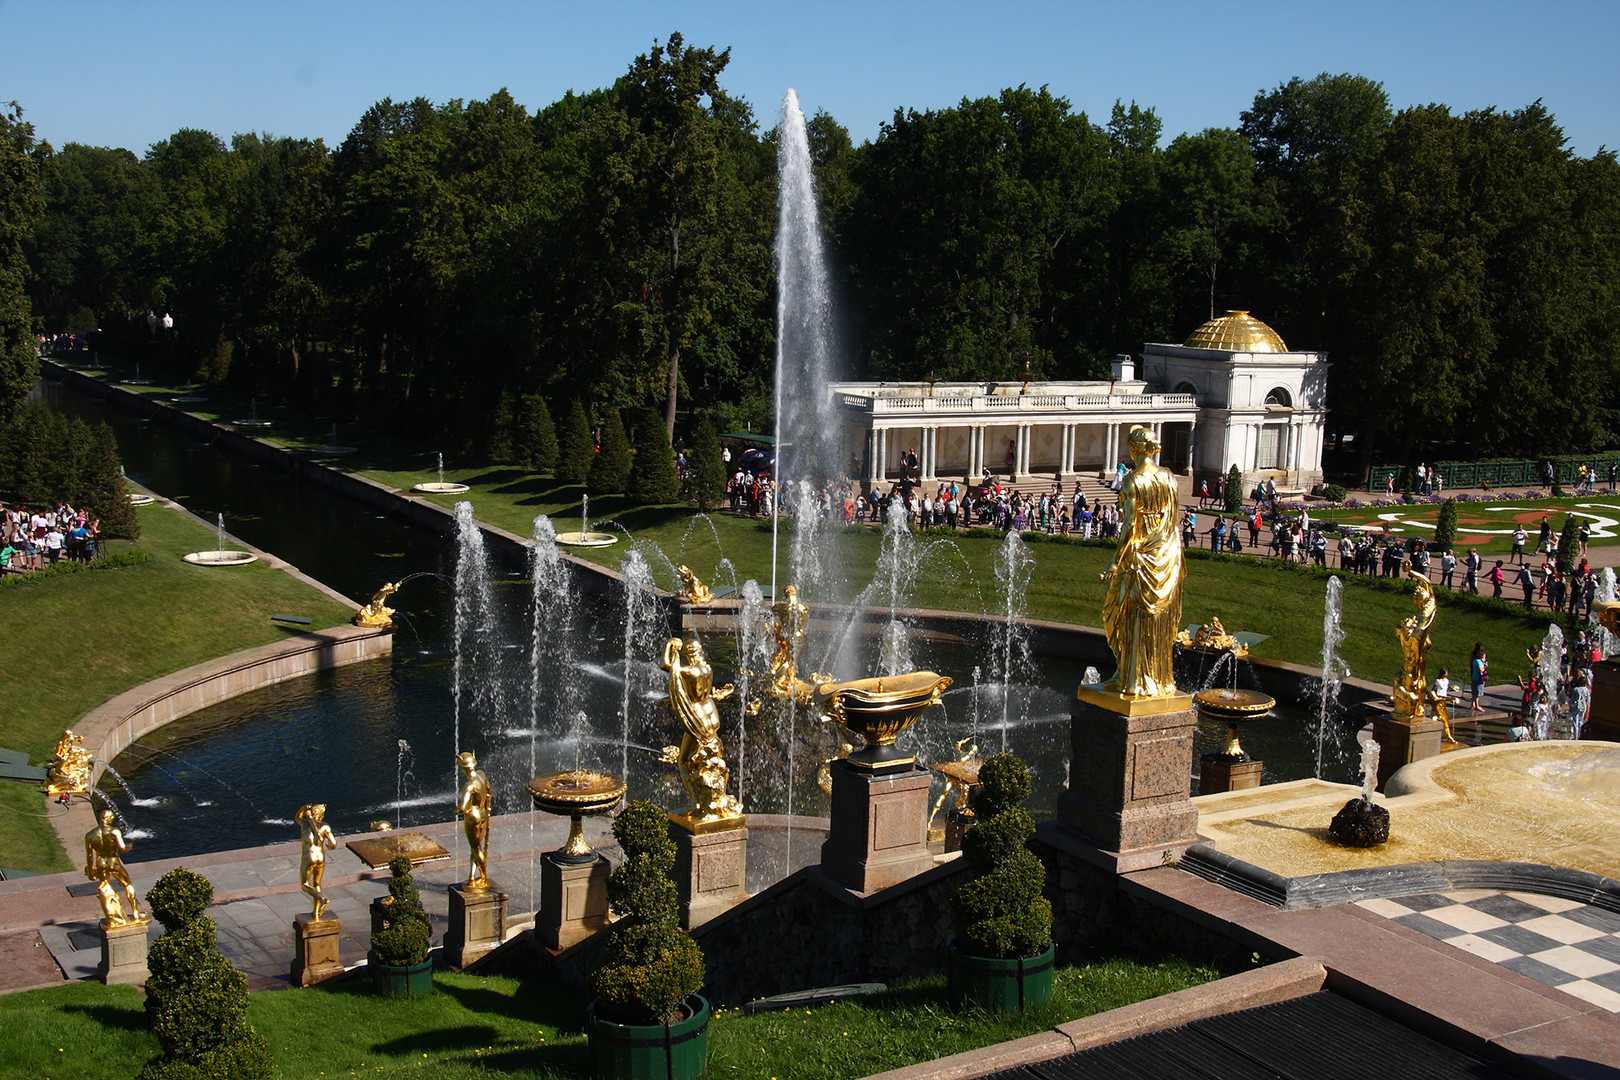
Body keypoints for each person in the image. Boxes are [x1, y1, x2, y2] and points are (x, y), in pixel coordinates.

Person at [1100, 426, 1184, 698]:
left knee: (1122, 612)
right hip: (1166, 553)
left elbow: (1129, 525)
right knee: (1154, 619)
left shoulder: (1133, 481)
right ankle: (1151, 678)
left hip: (1139, 555)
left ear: (1134, 449)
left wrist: (1115, 561)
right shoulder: (1169, 477)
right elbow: (1173, 520)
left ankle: (1133, 678)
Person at [85, 809, 143, 926]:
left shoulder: (90, 835)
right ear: (109, 819)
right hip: (113, 861)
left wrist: (91, 870)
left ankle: (111, 915)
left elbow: (89, 856)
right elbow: (122, 848)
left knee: (105, 888)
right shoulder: (114, 831)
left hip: (100, 862)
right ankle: (135, 912)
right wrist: (129, 846)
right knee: (127, 884)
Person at [456, 751, 492, 889]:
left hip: (473, 816)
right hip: (482, 813)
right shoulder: (481, 775)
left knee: (476, 848)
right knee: (476, 847)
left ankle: (483, 876)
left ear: (463, 768)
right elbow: (489, 792)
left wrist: (458, 809)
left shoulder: (469, 785)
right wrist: (487, 807)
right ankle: (472, 876)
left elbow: (463, 806)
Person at [297, 803, 338, 921]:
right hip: (320, 857)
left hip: (309, 857)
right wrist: (330, 846)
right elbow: (333, 843)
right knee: (317, 884)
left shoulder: (305, 824)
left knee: (305, 885)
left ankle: (322, 899)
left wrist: (303, 808)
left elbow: (297, 818)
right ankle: (315, 912)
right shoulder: (325, 826)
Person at [1469, 643, 1488, 713]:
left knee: (1474, 692)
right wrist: (1485, 666)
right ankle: (1477, 706)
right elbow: (1481, 670)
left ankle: (1472, 704)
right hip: (1478, 679)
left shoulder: (1474, 660)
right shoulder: (1479, 662)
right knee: (1477, 693)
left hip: (1474, 677)